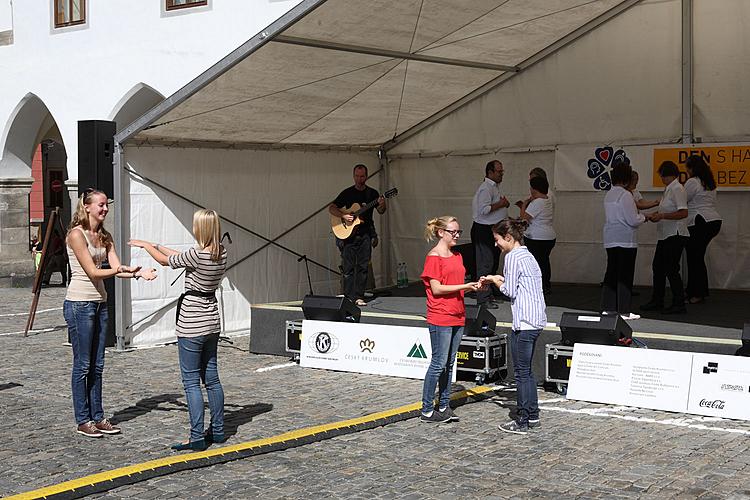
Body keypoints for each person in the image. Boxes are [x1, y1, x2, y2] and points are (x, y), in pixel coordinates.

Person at [129, 209, 228, 451]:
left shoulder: (198, 254)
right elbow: (180, 257)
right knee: (212, 379)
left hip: (192, 322)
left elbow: (166, 262)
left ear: (201, 229)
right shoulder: (221, 253)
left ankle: (196, 436)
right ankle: (218, 430)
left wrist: (145, 246)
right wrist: (159, 245)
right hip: (211, 321)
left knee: (191, 382)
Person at [64, 189, 156, 438]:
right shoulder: (76, 234)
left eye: (106, 206)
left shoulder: (105, 236)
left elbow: (117, 268)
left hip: (99, 303)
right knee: (83, 365)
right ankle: (83, 420)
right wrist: (121, 270)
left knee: (98, 365)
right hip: (79, 304)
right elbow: (94, 273)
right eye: (101, 205)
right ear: (87, 206)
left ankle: (98, 417)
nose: (105, 209)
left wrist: (138, 273)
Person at [482, 218, 546, 435]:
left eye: (497, 239)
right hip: (535, 320)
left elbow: (509, 291)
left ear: (508, 237)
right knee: (526, 372)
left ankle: (524, 418)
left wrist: (494, 280)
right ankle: (533, 416)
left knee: (522, 373)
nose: (496, 244)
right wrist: (501, 279)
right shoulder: (528, 255)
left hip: (524, 322)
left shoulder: (512, 257)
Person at [420, 216, 480, 423]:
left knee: (449, 363)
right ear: (441, 232)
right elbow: (436, 289)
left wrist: (471, 285)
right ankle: (427, 409)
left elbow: (456, 281)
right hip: (440, 315)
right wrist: (465, 286)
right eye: (453, 231)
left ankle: (444, 404)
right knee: (438, 363)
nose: (456, 235)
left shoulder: (456, 256)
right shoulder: (434, 257)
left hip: (457, 313)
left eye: (458, 232)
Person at [328, 164, 386, 307]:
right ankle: (348, 296)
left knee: (363, 266)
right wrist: (344, 215)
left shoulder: (372, 194)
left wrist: (382, 204)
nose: (360, 179)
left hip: (365, 234)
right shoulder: (347, 193)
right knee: (348, 268)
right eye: (357, 176)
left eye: (362, 176)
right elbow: (331, 208)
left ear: (366, 176)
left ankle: (359, 296)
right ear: (354, 176)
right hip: (348, 237)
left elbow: (381, 211)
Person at [641, 161, 689, 314]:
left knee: (671, 269)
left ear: (666, 174)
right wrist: (657, 215)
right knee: (659, 268)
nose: (661, 178)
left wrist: (662, 215)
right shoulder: (669, 189)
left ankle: (679, 302)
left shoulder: (677, 189)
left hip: (675, 234)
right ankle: (658, 299)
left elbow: (683, 213)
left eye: (662, 175)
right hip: (665, 234)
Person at [601, 162, 647, 320]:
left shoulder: (609, 194)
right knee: (625, 276)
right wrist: (645, 217)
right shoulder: (626, 195)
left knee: (611, 273)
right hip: (625, 239)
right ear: (627, 178)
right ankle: (624, 311)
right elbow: (632, 220)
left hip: (610, 238)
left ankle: (608, 307)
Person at [683, 155, 722, 304]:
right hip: (713, 220)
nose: (686, 170)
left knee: (694, 258)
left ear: (692, 168)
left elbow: (682, 199)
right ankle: (698, 291)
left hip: (700, 221)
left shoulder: (692, 182)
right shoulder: (709, 183)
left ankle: (696, 293)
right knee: (697, 257)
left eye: (687, 167)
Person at [471, 160, 509, 309]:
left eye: (502, 172)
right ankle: (482, 298)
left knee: (492, 262)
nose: (501, 174)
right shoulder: (485, 188)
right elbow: (484, 210)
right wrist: (502, 204)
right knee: (484, 264)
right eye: (499, 172)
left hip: (492, 229)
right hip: (483, 229)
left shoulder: (494, 187)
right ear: (490, 172)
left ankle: (490, 291)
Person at [516, 176, 555, 294]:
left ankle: (538, 287)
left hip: (537, 237)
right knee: (544, 261)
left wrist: (524, 204)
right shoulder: (548, 199)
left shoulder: (537, 202)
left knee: (536, 263)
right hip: (549, 236)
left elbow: (523, 218)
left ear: (534, 189)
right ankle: (546, 285)